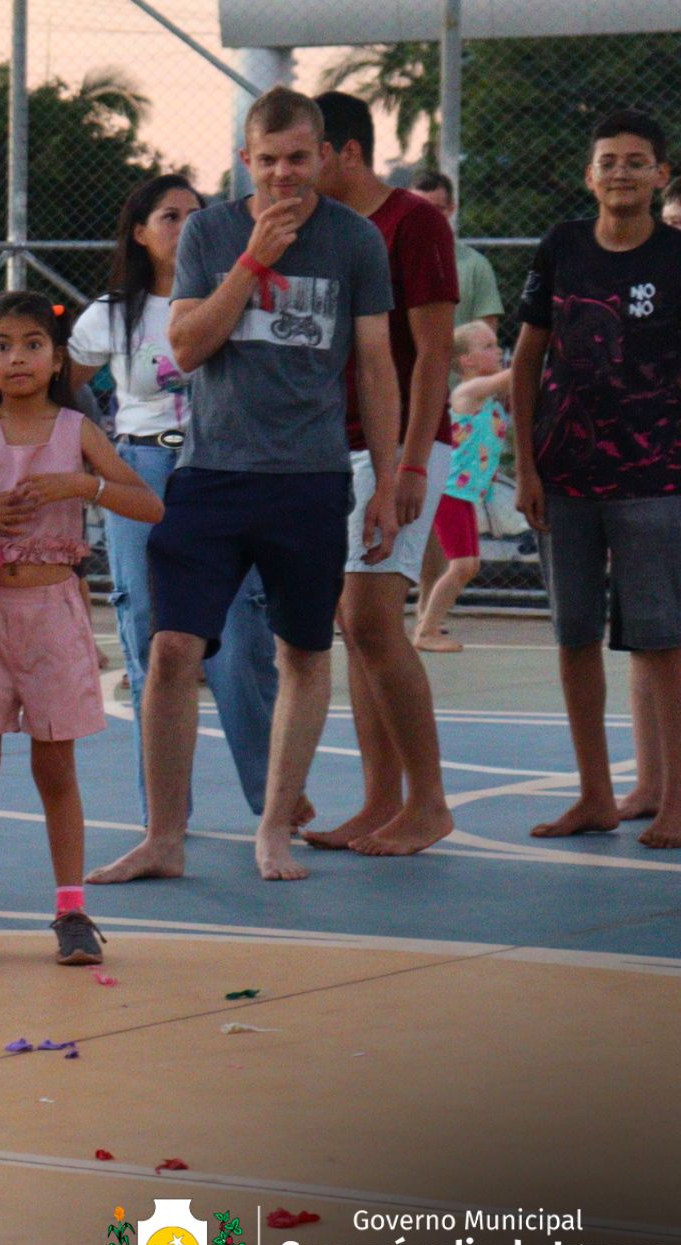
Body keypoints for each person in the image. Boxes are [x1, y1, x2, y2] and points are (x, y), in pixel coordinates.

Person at [90, 86, 401, 885]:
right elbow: (186, 345)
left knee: (302, 648)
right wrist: (254, 258)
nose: (286, 175)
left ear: (326, 155)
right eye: (269, 161)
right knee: (169, 649)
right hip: (212, 470)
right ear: (245, 161)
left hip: (310, 474)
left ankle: (273, 826)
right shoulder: (211, 231)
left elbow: (375, 365)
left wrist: (391, 480)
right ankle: (164, 834)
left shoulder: (356, 241)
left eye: (300, 158)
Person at [0, 293, 161, 964]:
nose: (17, 356)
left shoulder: (77, 432)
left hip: (53, 613)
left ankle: (71, 910)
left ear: (58, 358)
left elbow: (149, 505)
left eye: (33, 343)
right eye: (2, 345)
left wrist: (81, 489)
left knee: (55, 766)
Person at [69, 174, 280, 822]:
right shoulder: (112, 312)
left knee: (245, 635)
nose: (185, 225)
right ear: (138, 232)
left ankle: (273, 798)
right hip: (141, 465)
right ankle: (165, 813)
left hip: (220, 465)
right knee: (146, 634)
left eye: (196, 213)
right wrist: (97, 447)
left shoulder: (237, 293)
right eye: (168, 215)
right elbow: (61, 384)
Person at [511, 110, 681, 849]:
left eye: (636, 161)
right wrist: (525, 463)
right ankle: (594, 796)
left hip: (654, 476)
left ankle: (674, 798)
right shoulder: (563, 247)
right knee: (574, 634)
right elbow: (525, 361)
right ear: (590, 175)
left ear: (661, 176)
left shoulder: (677, 257)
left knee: (661, 642)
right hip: (565, 475)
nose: (621, 172)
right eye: (608, 161)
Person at [299, 90, 458, 859]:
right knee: (356, 627)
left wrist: (413, 461)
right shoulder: (316, 229)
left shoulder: (414, 222)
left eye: (308, 154)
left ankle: (429, 801)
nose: (295, 170)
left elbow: (433, 352)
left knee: (369, 618)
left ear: (346, 152)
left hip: (398, 448)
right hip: (336, 446)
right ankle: (378, 799)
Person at [414, 322, 511, 652]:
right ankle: (425, 630)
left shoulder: (490, 398)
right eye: (488, 346)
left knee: (466, 565)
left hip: (464, 495)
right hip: (449, 491)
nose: (498, 351)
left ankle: (429, 621)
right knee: (463, 565)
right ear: (467, 360)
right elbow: (512, 377)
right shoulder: (467, 393)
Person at [412, 171, 504, 332]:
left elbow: (486, 334)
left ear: (451, 209)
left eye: (435, 209)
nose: (425, 217)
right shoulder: (385, 261)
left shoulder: (476, 266)